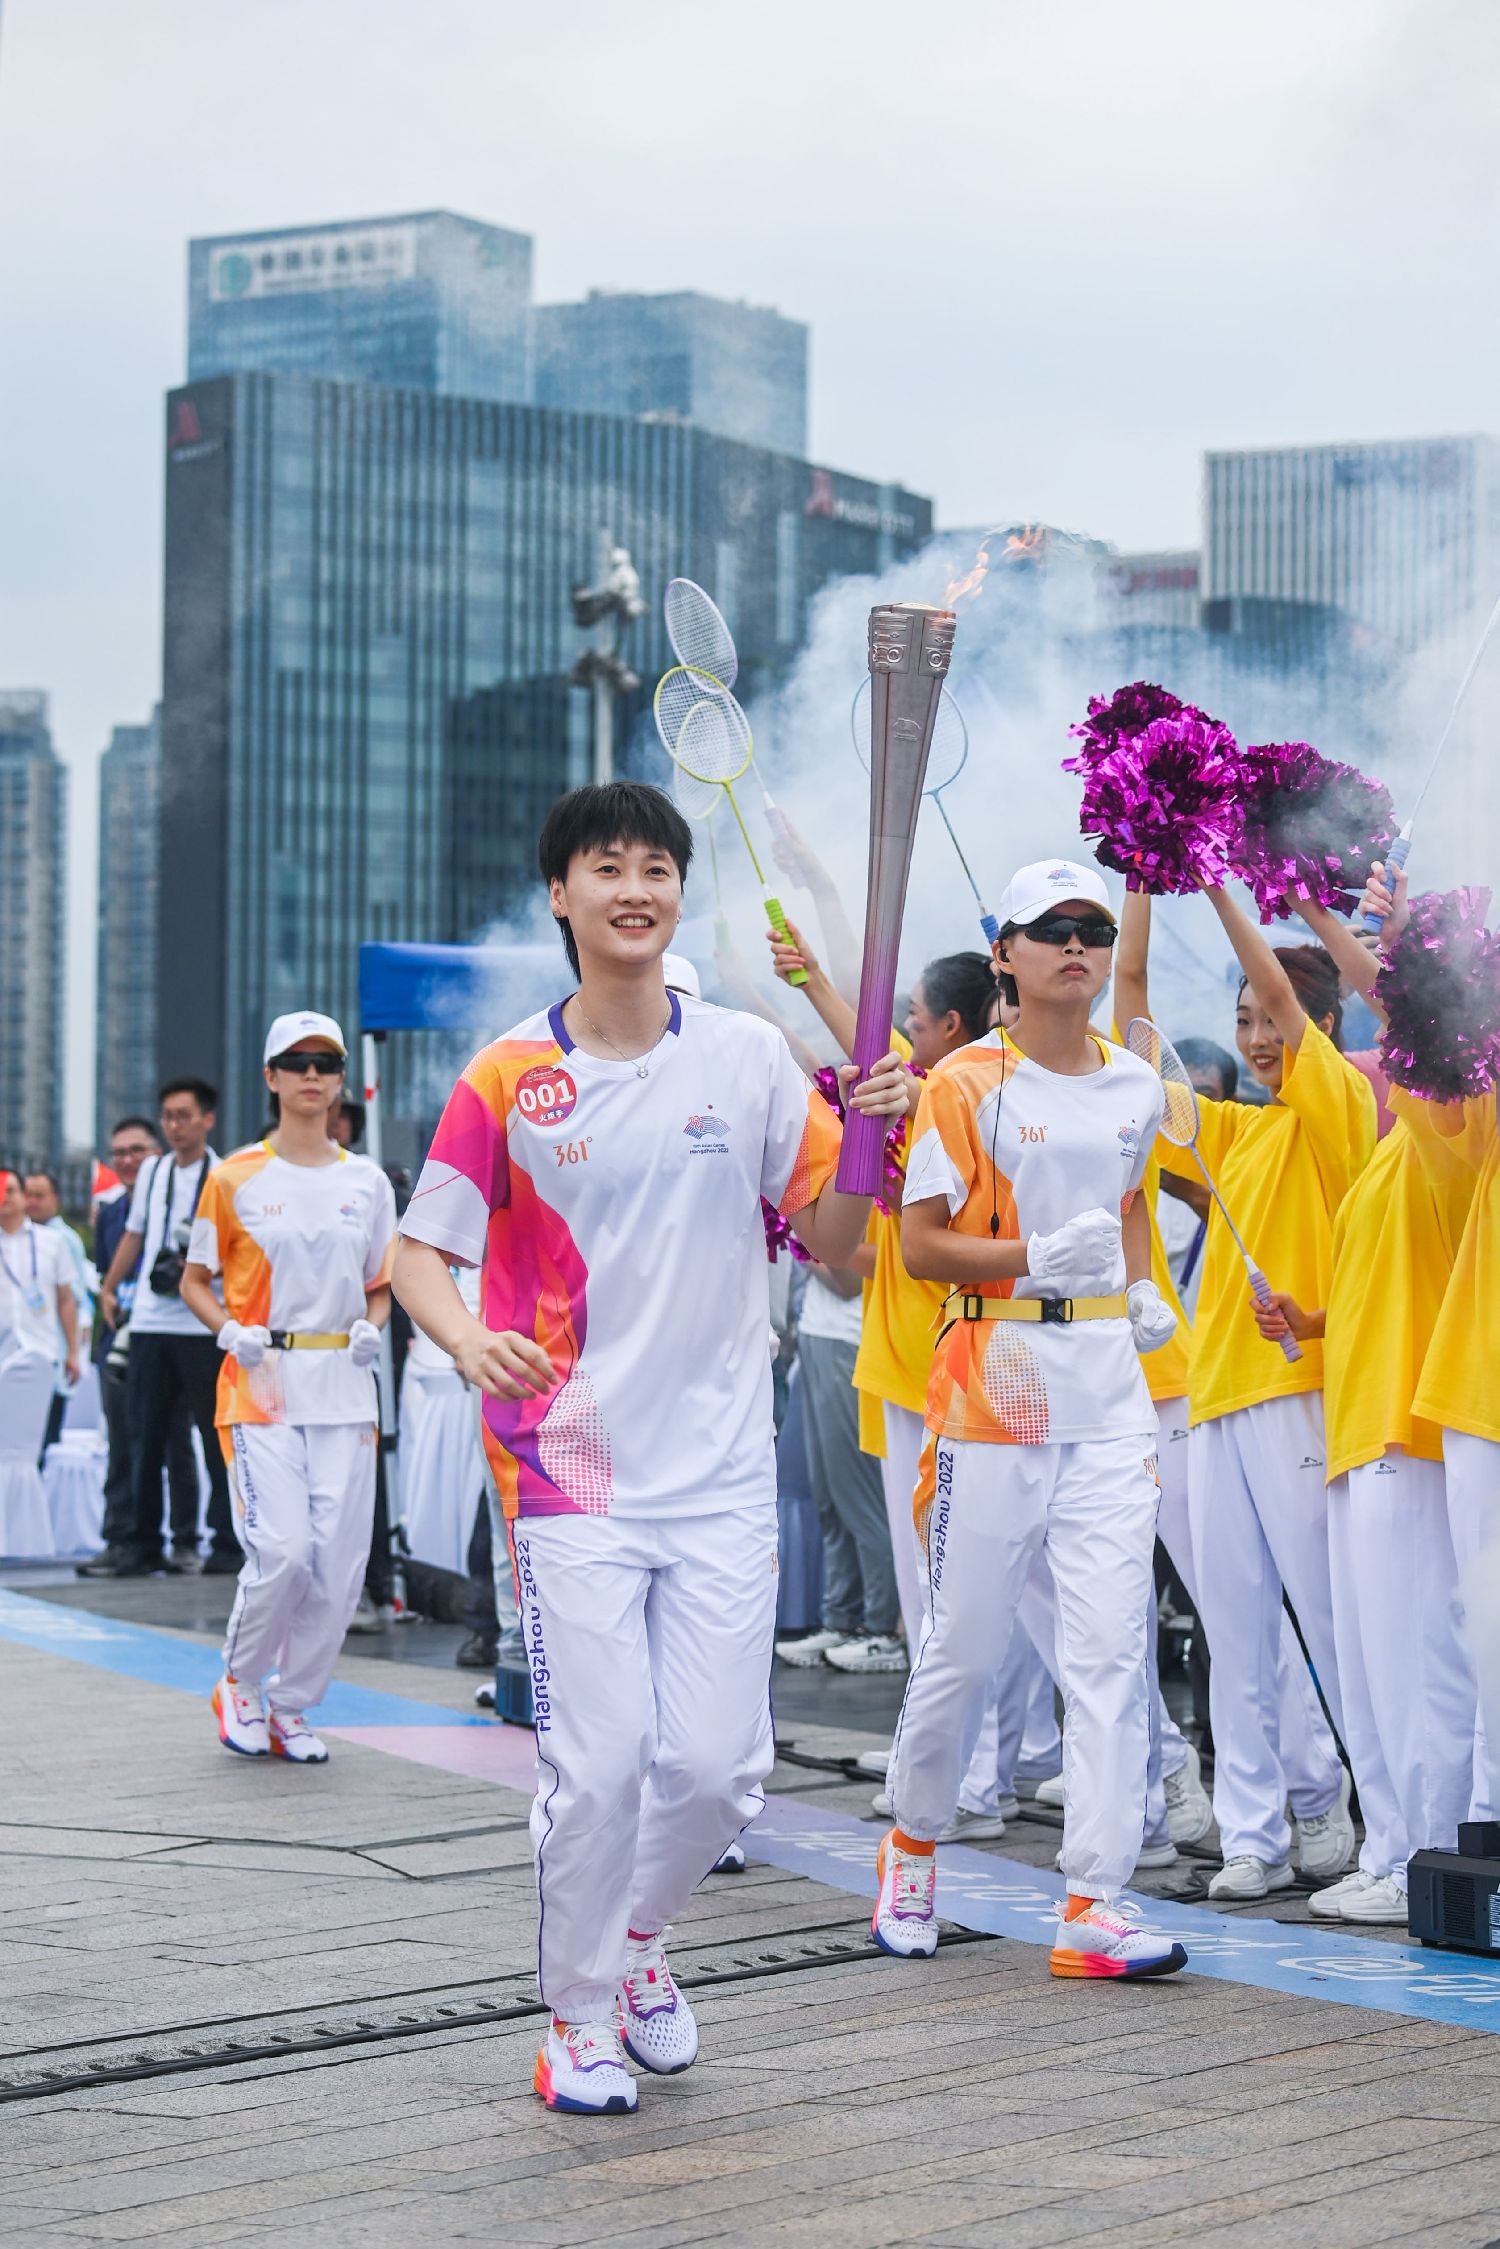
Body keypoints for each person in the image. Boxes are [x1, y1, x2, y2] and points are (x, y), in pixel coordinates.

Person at [392, 780, 908, 2116]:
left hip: (724, 1472)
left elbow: (845, 1255)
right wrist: (463, 1339)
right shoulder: (510, 1075)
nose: (635, 888)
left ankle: (634, 1947)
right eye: (606, 866)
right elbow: (415, 1253)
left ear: (679, 893)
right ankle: (574, 2019)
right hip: (571, 1470)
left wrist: (873, 1129)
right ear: (560, 894)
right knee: (603, 1760)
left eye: (657, 868)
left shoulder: (743, 1058)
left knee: (722, 1773)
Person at [873, 857, 1188, 1982]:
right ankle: (911, 1848)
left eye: (1093, 928)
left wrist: (1145, 1289)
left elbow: (1132, 1203)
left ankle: (1093, 1900)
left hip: (1108, 1392)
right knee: (962, 1646)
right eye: (1050, 927)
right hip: (992, 1384)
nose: (1077, 945)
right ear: (1003, 950)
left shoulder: (1134, 1084)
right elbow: (918, 1246)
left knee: (1110, 1653)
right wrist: (1028, 1257)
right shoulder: (965, 1081)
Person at [1249, 867, 1477, 1922]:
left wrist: (1328, 912)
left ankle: (1422, 1847)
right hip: (1358, 1421)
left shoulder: (1455, 1135)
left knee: (1417, 1655)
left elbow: (1400, 1007)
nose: (1375, 1060)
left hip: (1407, 1425)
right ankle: (1395, 1843)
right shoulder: (1394, 1158)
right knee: (1378, 1665)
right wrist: (1317, 1320)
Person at [1154, 885, 1373, 1899]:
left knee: (1331, 1625)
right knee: (1230, 1624)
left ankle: (1356, 1820)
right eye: (1239, 1019)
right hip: (1212, 1402)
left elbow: (1287, 994)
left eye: (1267, 1017)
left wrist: (1212, 877)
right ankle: (1254, 1833)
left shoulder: (1338, 1108)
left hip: (1300, 1394)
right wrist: (1142, 888)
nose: (1254, 1034)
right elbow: (1128, 1053)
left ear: (1321, 1026)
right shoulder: (1236, 1132)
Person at [180, 1012, 396, 1766]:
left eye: (325, 1062)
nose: (312, 1074)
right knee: (283, 1550)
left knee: (338, 1568)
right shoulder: (234, 1175)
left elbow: (381, 1284)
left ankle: (292, 1705)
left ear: (339, 1077)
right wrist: (226, 1330)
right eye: (296, 1061)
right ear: (270, 1076)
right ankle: (239, 1681)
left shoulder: (366, 1181)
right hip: (261, 1380)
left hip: (343, 1383)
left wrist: (372, 1325)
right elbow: (195, 1279)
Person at [99, 1078, 238, 1575]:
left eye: (184, 1115)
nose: (175, 1125)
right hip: (152, 1323)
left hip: (204, 1322)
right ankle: (143, 1542)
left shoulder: (225, 1174)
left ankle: (225, 1541)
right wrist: (110, 1287)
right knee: (146, 1436)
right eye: (169, 1117)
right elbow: (135, 1234)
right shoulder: (154, 1172)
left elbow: (239, 1251)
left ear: (207, 1119)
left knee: (213, 1438)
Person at [80, 1119, 201, 1577]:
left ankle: (185, 1541)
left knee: (177, 1442)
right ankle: (122, 1538)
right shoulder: (109, 1213)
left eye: (137, 1151)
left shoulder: (191, 1189)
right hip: (122, 1334)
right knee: (123, 1443)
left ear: (155, 1154)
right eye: (119, 1153)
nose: (127, 1161)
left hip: (176, 1328)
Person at [0, 1172, 79, 1457]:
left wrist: (72, 1351)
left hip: (43, 1352)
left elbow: (66, 1300)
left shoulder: (52, 1241)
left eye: (10, 1190)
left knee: (41, 1444)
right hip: (3, 1352)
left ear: (23, 1197)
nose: (4, 1197)